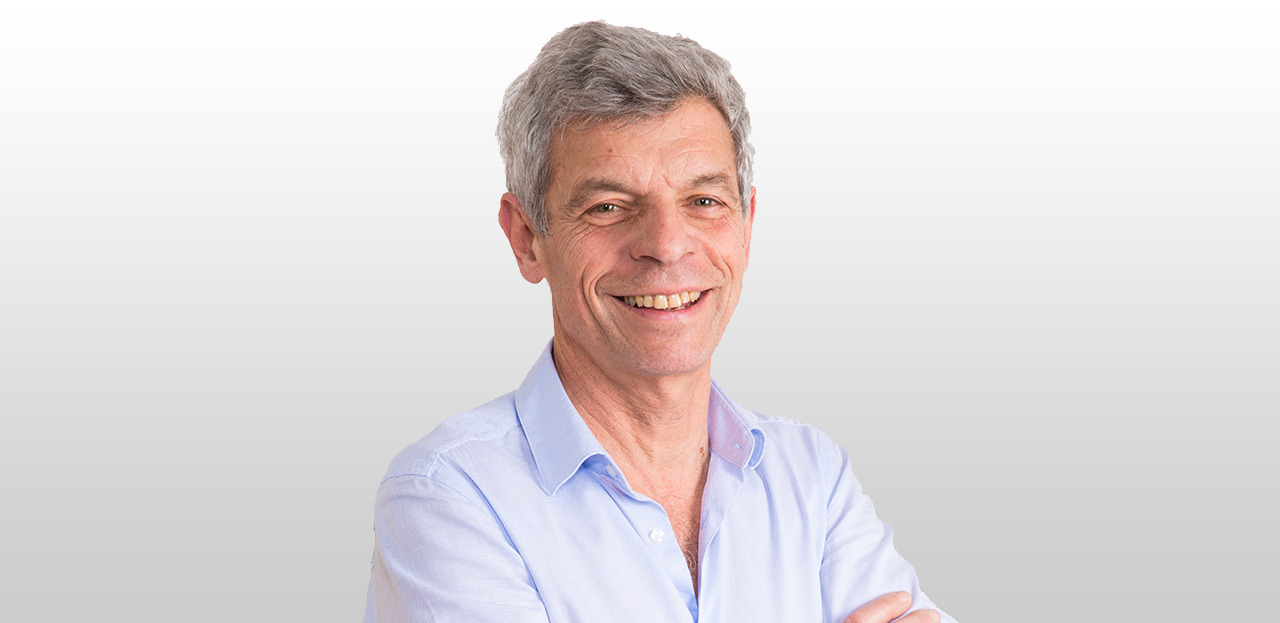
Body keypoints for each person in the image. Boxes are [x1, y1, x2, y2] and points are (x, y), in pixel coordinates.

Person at [364, 21, 956, 623]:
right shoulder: (448, 495)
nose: (667, 246)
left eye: (704, 201)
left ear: (746, 225)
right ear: (526, 239)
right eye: (609, 207)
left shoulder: (811, 476)